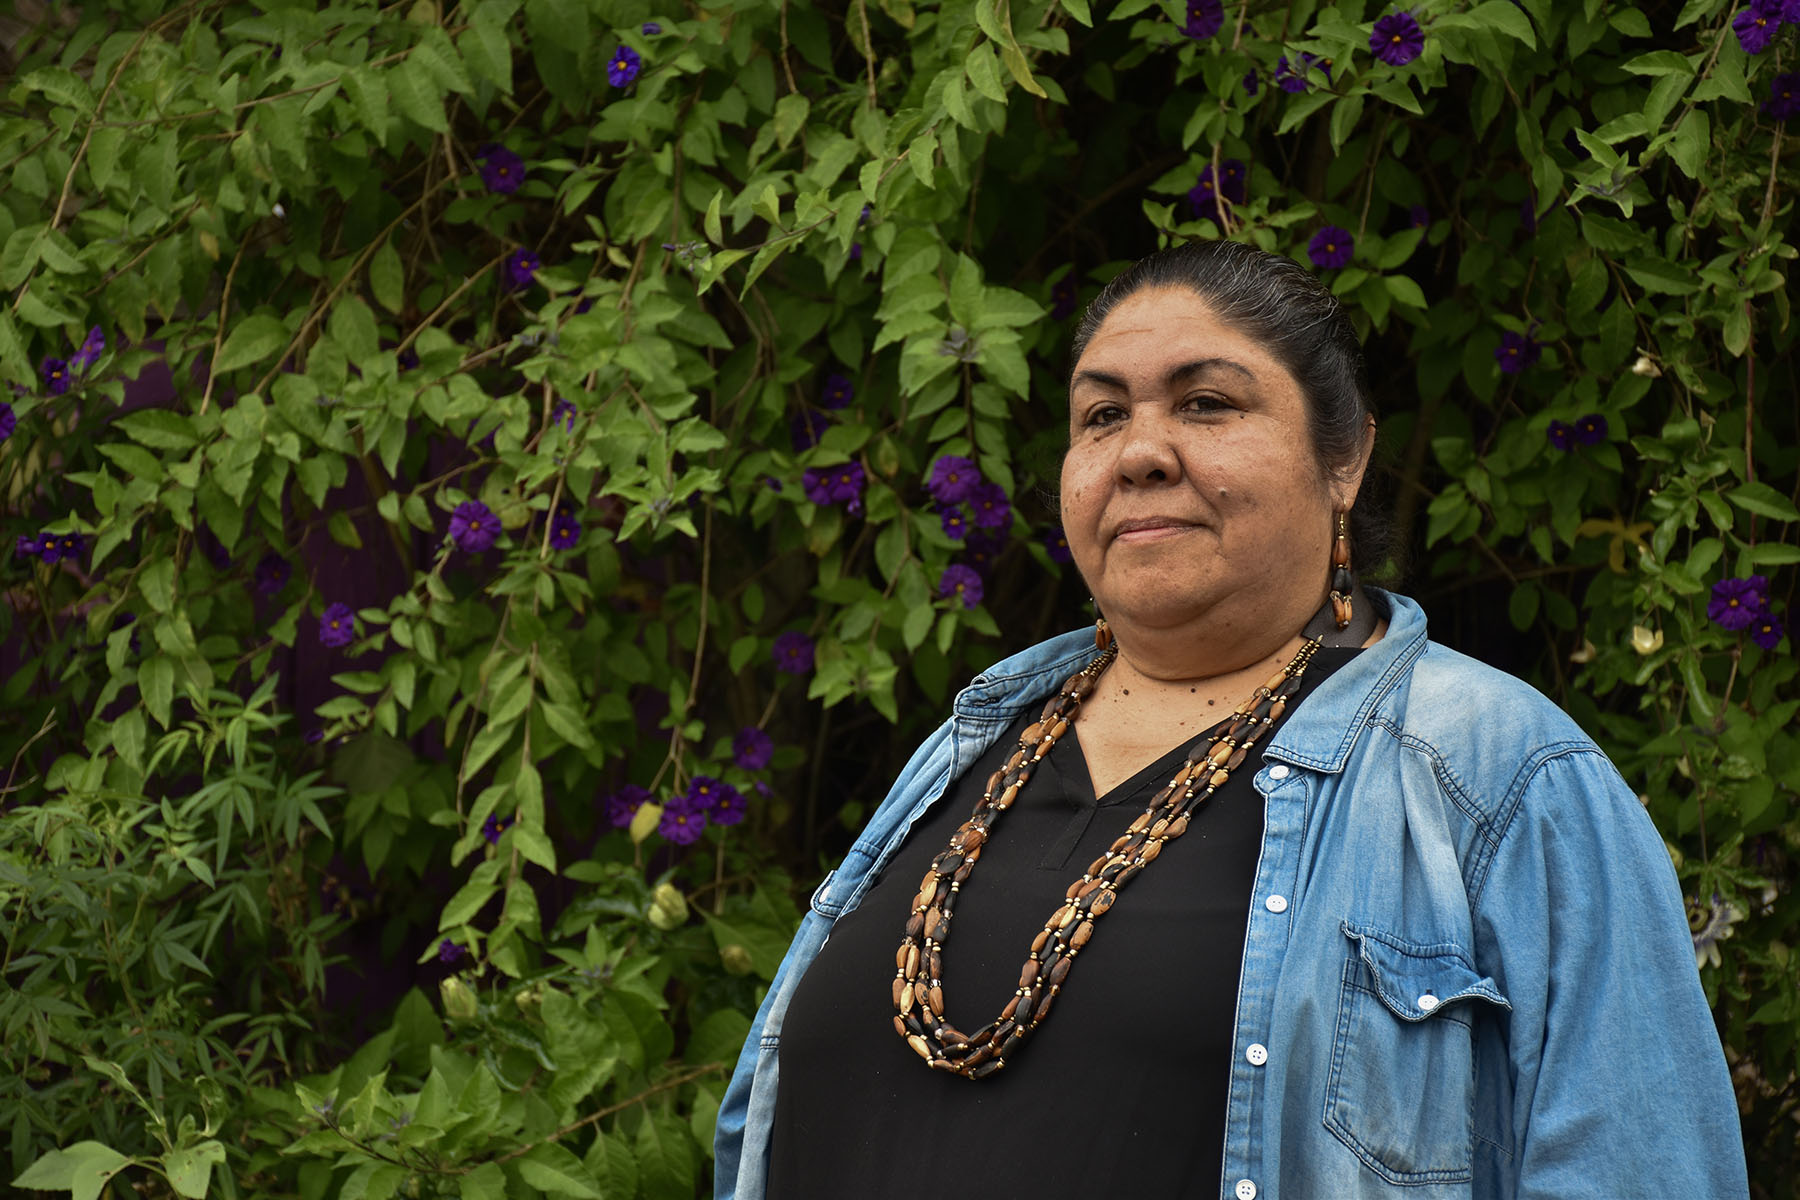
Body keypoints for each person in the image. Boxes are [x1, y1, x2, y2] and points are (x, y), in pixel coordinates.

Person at [713, 240, 1748, 1199]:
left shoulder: (1503, 777)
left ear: (1343, 459)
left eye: (1206, 403)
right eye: (1101, 416)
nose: (1140, 452)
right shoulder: (975, 743)